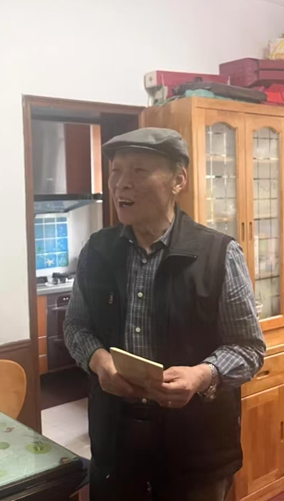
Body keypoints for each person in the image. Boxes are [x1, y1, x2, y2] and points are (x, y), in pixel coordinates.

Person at [63, 128, 266, 501]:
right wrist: (98, 359)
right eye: (115, 171)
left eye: (139, 171)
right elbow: (76, 326)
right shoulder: (97, 251)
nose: (121, 183)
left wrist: (201, 375)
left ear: (178, 180)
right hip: (116, 444)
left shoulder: (219, 253)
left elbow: (249, 348)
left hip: (196, 448)